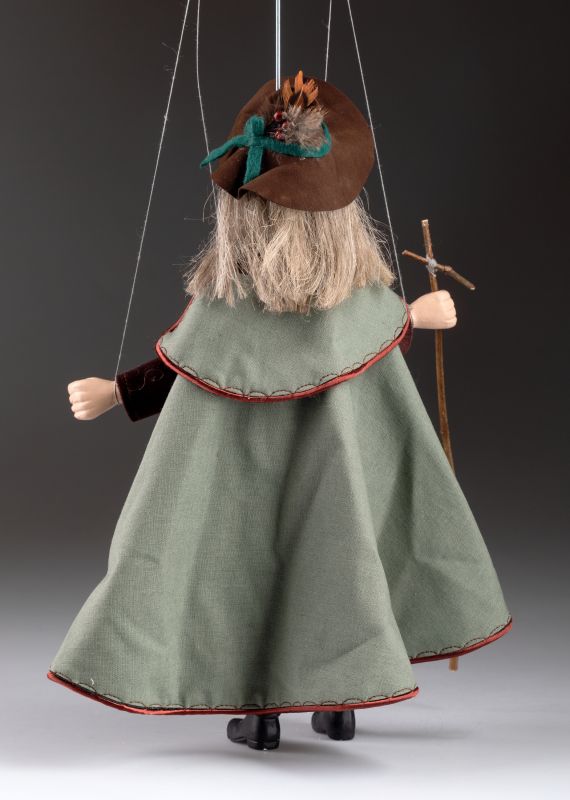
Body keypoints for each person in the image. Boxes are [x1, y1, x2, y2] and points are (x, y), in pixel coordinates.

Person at [49, 72, 510, 751]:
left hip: (247, 470)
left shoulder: (237, 303)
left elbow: (182, 366)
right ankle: (338, 703)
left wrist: (117, 392)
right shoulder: (337, 297)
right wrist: (415, 314)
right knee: (332, 556)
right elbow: (372, 335)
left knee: (255, 567)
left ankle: (265, 713)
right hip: (328, 465)